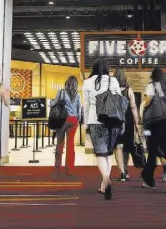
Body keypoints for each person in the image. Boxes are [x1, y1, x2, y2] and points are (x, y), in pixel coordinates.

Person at [82, 59, 123, 200]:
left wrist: (85, 125)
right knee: (108, 154)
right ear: (106, 69)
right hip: (112, 122)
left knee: (101, 154)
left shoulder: (87, 83)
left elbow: (86, 106)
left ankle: (105, 178)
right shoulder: (114, 81)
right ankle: (103, 184)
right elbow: (119, 103)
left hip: (94, 121)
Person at [113, 68, 141, 182]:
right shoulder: (129, 90)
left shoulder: (111, 89)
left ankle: (122, 172)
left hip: (115, 121)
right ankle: (126, 170)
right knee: (126, 147)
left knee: (118, 147)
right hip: (128, 120)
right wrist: (137, 124)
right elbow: (133, 107)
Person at [51, 76, 81, 176]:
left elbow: (53, 104)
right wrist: (78, 120)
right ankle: (69, 170)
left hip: (62, 120)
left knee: (59, 144)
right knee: (70, 145)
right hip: (73, 121)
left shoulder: (61, 92)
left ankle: (57, 168)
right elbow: (79, 110)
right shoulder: (77, 95)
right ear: (76, 84)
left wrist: (52, 103)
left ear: (66, 82)